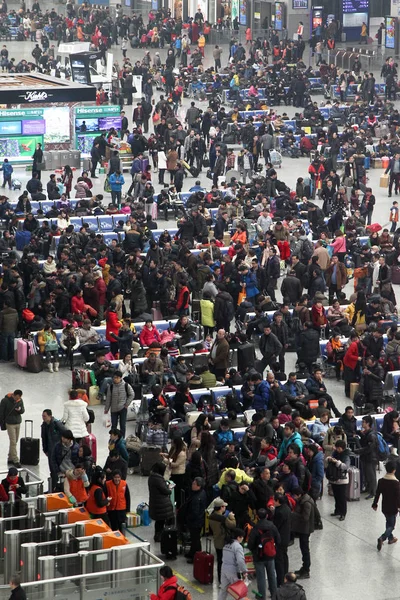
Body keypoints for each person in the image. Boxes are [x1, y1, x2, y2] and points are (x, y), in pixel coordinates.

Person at [248, 507, 280, 599]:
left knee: (261, 577)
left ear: (257, 517)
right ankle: (274, 594)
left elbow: (251, 544)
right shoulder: (272, 526)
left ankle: (262, 596)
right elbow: (278, 539)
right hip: (270, 555)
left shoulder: (256, 528)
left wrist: (254, 550)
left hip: (259, 556)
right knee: (272, 575)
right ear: (267, 516)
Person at [373, 461, 400, 550]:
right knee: (391, 526)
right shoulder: (396, 483)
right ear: (394, 470)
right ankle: (382, 538)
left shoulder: (381, 481)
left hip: (384, 506)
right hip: (393, 507)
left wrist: (375, 504)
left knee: (388, 522)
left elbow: (377, 493)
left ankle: (391, 538)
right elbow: (398, 497)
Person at [209, 498, 237, 583]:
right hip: (224, 542)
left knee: (219, 561)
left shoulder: (211, 517)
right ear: (221, 507)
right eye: (224, 506)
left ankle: (220, 579)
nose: (225, 507)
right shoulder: (222, 519)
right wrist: (232, 518)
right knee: (225, 561)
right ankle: (225, 579)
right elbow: (232, 525)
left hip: (216, 541)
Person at [291, 487, 315, 579]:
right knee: (303, 548)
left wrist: (293, 514)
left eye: (295, 495)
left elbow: (305, 517)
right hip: (303, 529)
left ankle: (306, 570)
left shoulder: (306, 503)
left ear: (299, 495)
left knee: (305, 549)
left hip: (305, 529)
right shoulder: (304, 500)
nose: (294, 497)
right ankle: (304, 567)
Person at [218, 528, 247, 600]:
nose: (242, 539)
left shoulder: (226, 544)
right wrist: (244, 571)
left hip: (224, 568)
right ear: (238, 537)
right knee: (239, 591)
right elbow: (240, 561)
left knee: (223, 590)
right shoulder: (238, 546)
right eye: (242, 537)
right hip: (233, 571)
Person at [148, 462, 174, 542]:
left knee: (159, 521)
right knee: (162, 521)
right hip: (161, 504)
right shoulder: (158, 479)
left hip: (155, 502)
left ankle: (158, 535)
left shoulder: (152, 477)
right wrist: (169, 489)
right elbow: (166, 491)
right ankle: (161, 536)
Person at [104, 370, 134, 438]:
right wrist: (106, 409)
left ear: (121, 378)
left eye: (117, 378)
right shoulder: (111, 387)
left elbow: (132, 394)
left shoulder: (126, 385)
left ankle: (122, 439)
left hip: (123, 408)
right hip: (113, 409)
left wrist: (126, 404)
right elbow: (108, 398)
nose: (115, 379)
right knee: (113, 426)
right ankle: (112, 439)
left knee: (122, 425)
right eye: (114, 378)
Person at [354, 415, 378, 499]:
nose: (362, 423)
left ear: (368, 423)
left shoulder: (371, 435)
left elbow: (369, 448)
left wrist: (359, 451)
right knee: (367, 474)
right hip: (367, 457)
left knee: (371, 475)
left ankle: (373, 491)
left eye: (363, 422)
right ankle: (368, 488)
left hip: (371, 457)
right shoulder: (367, 433)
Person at [41, 409, 65, 490]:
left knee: (57, 469)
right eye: (42, 416)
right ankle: (53, 486)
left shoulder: (56, 423)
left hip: (57, 451)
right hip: (50, 451)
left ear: (50, 416)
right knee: (52, 469)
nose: (43, 418)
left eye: (44, 416)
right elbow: (44, 438)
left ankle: (58, 487)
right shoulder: (44, 425)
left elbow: (66, 432)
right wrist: (45, 449)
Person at [185, 476, 208, 562]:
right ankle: (192, 553)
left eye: (194, 484)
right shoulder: (202, 493)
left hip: (195, 522)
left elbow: (195, 512)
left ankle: (196, 557)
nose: (192, 485)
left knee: (196, 540)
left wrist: (188, 518)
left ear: (199, 486)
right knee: (194, 538)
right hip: (198, 520)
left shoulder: (197, 498)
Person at [326, 440, 350, 521]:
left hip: (342, 479)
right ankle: (337, 511)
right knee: (336, 496)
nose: (337, 449)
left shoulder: (346, 456)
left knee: (342, 497)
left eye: (339, 448)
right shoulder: (334, 453)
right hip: (334, 478)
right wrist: (330, 459)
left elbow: (346, 466)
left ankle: (343, 513)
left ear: (342, 448)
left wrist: (337, 462)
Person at [0, 390, 25, 468]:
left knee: (15, 441)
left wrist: (20, 410)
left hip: (17, 422)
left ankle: (10, 457)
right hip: (10, 423)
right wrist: (2, 424)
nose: (19, 398)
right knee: (13, 441)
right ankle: (15, 459)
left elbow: (23, 410)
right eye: (18, 397)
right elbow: (1, 412)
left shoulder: (20, 400)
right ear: (14, 395)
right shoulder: (5, 401)